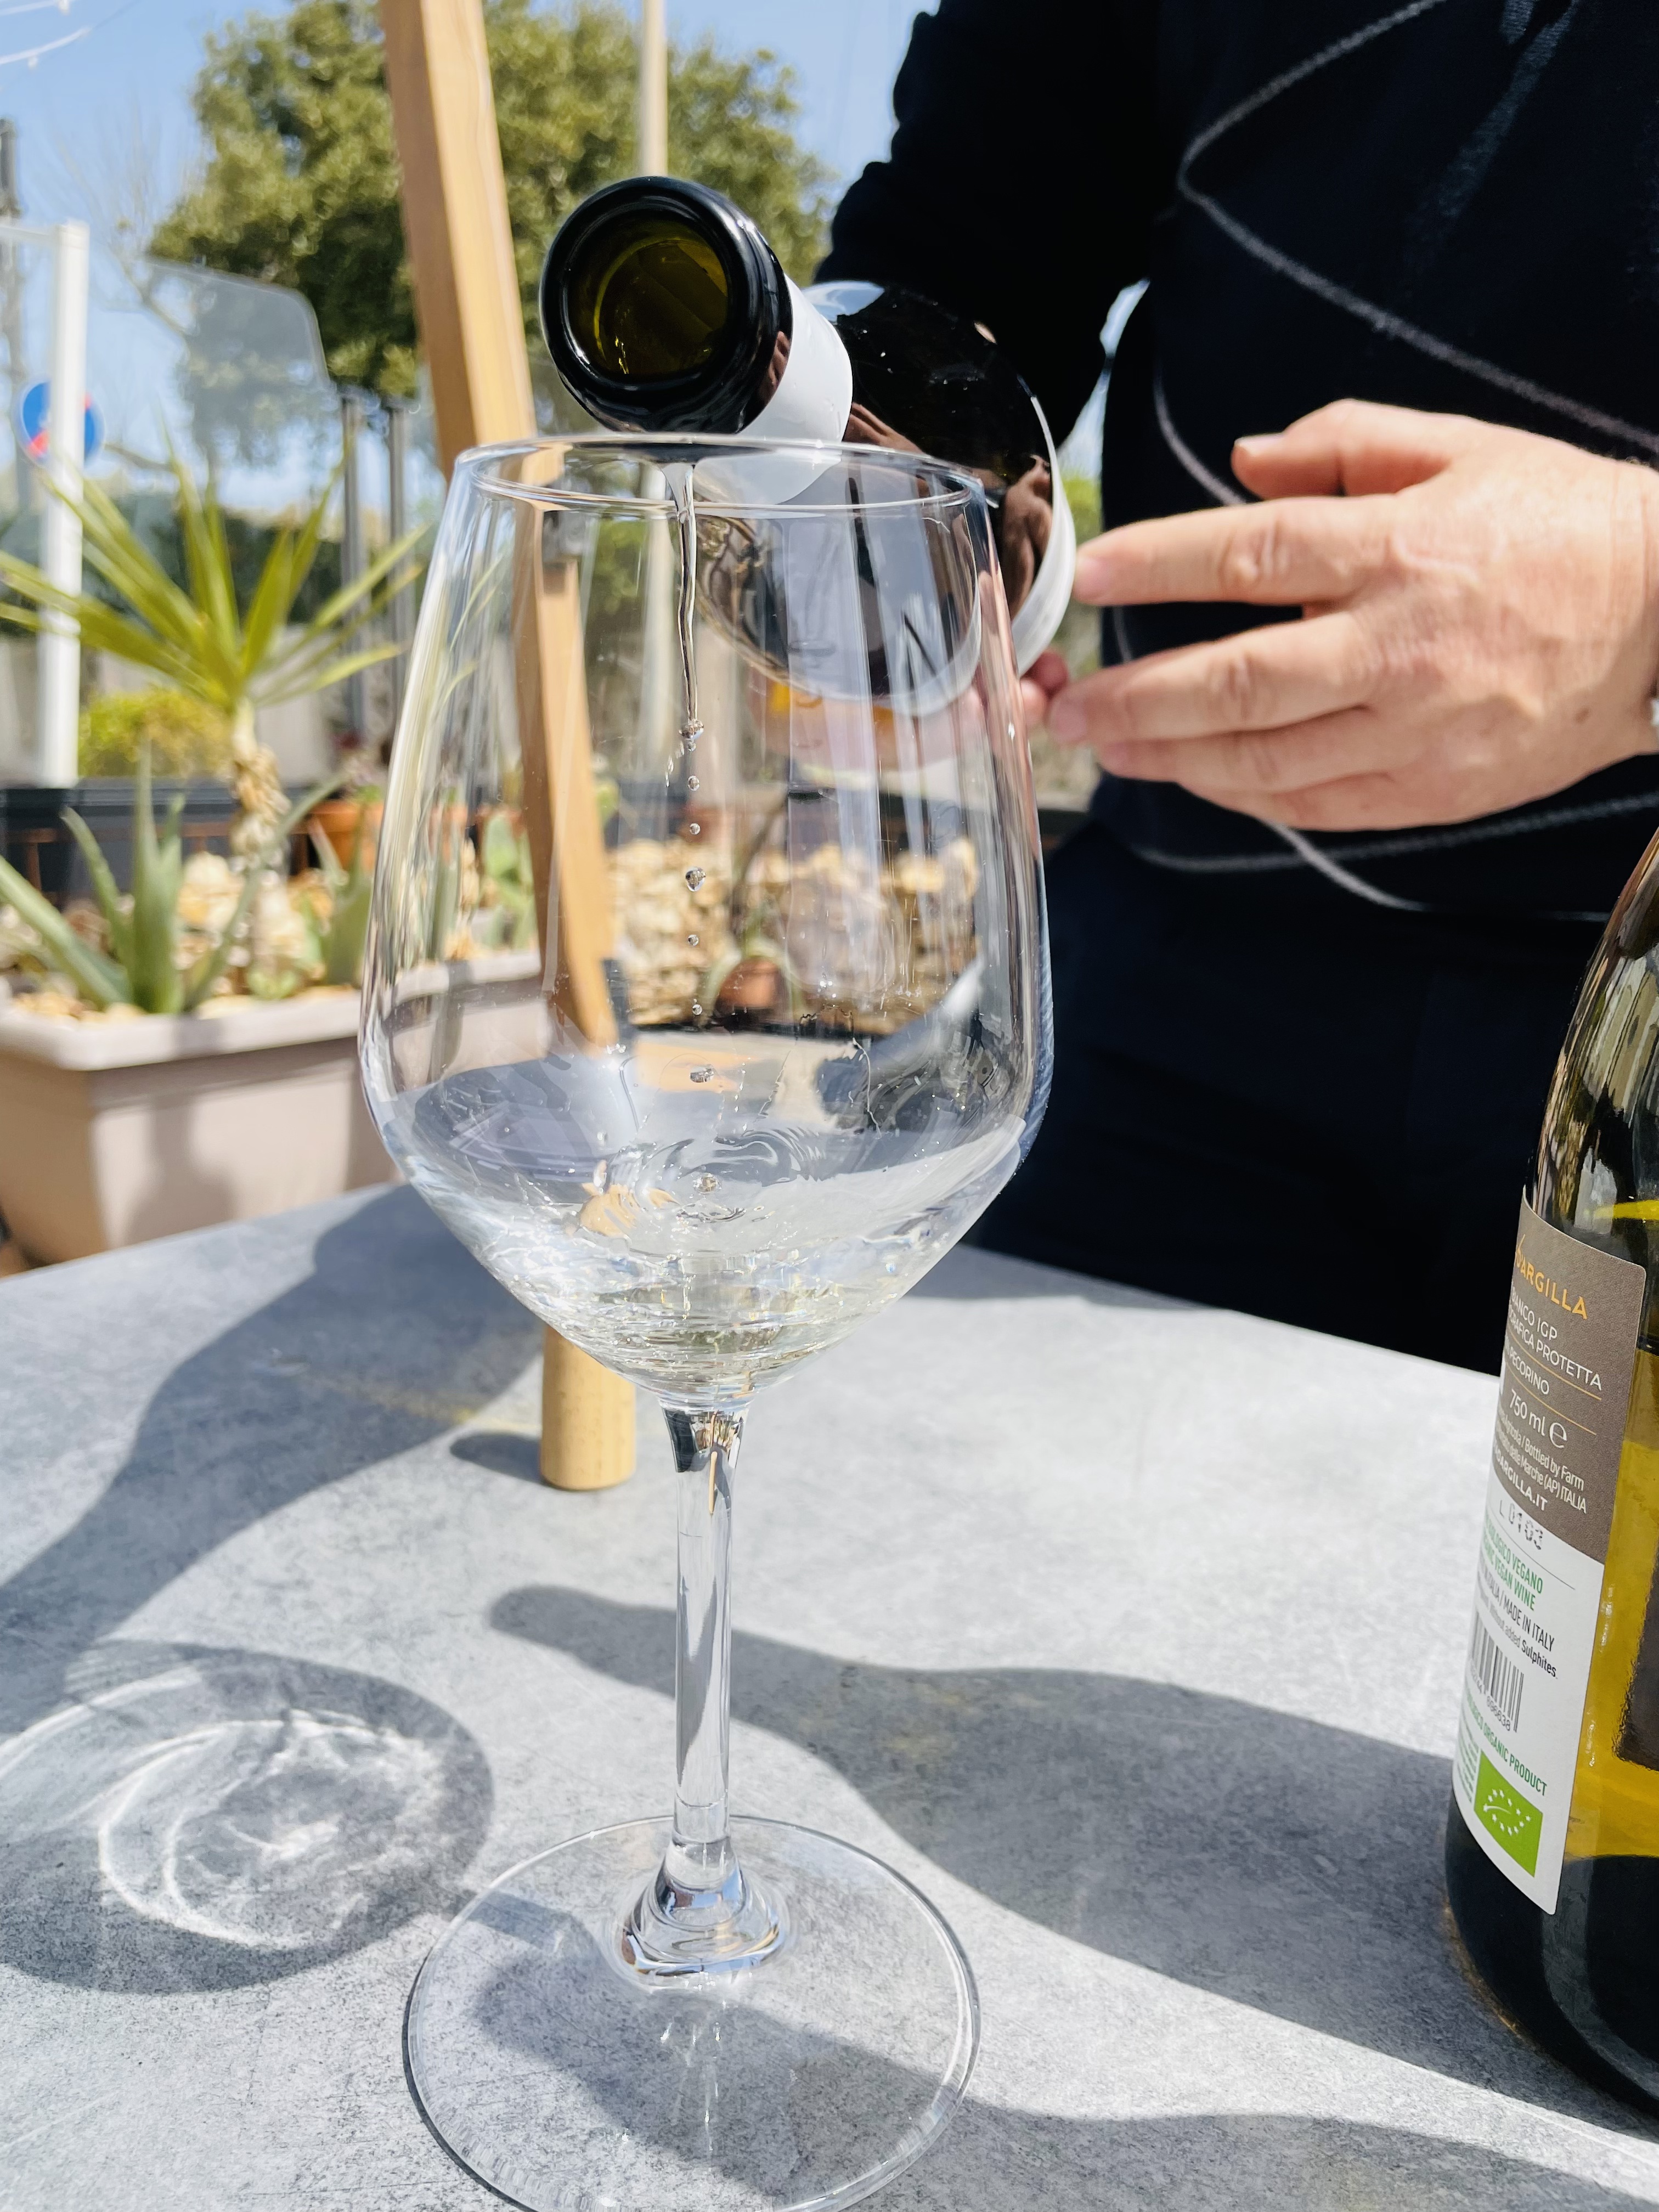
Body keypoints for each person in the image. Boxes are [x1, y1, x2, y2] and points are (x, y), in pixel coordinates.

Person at [820, 0, 1659, 1372]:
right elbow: (979, 226)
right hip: (1169, 987)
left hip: (1644, 1017)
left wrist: (1646, 604)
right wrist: (877, 531)